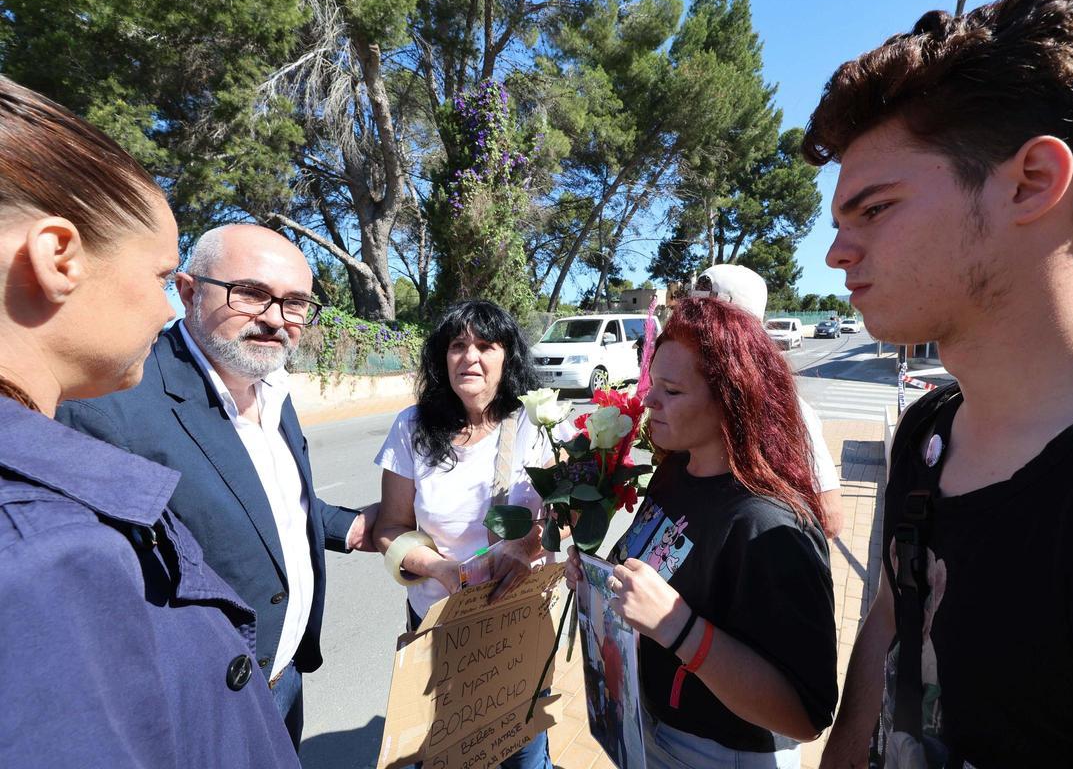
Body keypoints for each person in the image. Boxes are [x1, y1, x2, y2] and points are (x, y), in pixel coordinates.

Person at [801, 0, 1073, 769]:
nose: (836, 254)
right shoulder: (931, 430)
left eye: (874, 209)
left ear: (1033, 183)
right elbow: (891, 622)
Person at [0, 76, 299, 766]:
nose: (167, 310)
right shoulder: (39, 555)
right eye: (162, 275)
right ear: (57, 258)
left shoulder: (273, 392)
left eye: (295, 303)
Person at [57, 223, 379, 749]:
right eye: (250, 293)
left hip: (283, 677)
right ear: (187, 291)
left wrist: (351, 528)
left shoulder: (271, 385)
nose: (275, 319)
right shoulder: (109, 407)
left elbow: (266, 505)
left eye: (295, 303)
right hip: (195, 709)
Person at [567, 296, 839, 768]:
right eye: (654, 382)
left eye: (671, 391)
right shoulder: (676, 472)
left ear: (732, 400)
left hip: (718, 754)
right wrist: (598, 578)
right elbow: (652, 571)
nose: (648, 399)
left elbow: (804, 715)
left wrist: (680, 627)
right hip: (651, 726)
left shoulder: (768, 525)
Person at [372, 299, 561, 769]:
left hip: (518, 618)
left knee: (524, 750)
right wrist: (444, 570)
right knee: (443, 752)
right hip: (439, 621)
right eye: (458, 345)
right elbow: (390, 528)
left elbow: (562, 514)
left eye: (485, 345)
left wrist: (525, 545)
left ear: (507, 357)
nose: (469, 357)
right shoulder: (411, 427)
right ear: (443, 357)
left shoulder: (536, 424)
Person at [691, 263, 845, 538]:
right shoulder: (681, 398)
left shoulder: (789, 411)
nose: (693, 339)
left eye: (713, 329)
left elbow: (829, 517)